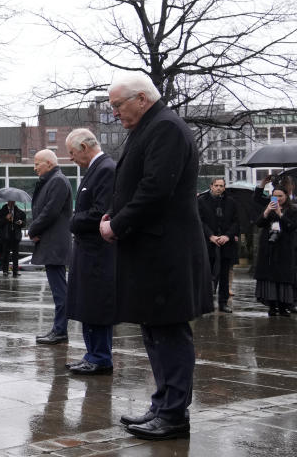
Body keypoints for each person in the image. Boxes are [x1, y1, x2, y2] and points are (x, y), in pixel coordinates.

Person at [98, 73, 212, 441]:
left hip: (166, 253)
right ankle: (163, 405)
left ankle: (174, 414)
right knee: (155, 330)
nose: (114, 113)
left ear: (142, 98)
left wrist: (117, 225)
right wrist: (115, 216)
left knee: (169, 331)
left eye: (118, 105)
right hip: (154, 250)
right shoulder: (152, 126)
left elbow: (155, 190)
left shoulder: (165, 128)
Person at [64, 128, 116, 375]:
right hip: (88, 250)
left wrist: (74, 221)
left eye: (72, 153)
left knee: (95, 305)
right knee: (88, 305)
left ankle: (100, 357)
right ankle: (92, 354)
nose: (71, 158)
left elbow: (102, 212)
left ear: (84, 147)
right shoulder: (97, 169)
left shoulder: (105, 169)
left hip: (98, 252)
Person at [28, 149, 72, 345]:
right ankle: (59, 329)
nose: (35, 167)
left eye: (37, 163)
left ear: (49, 163)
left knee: (60, 291)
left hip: (55, 245)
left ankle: (60, 330)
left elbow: (49, 212)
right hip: (51, 243)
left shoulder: (57, 181)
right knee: (58, 290)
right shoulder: (53, 181)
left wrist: (32, 229)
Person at [197, 178, 240, 313]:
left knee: (224, 275)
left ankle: (223, 303)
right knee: (206, 274)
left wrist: (227, 236)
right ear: (211, 186)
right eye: (216, 185)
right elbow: (200, 221)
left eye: (221, 186)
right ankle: (205, 302)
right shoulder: (201, 201)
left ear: (224, 187)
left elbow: (236, 222)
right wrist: (210, 236)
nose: (219, 188)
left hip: (226, 243)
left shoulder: (231, 202)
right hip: (208, 244)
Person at [253, 186, 296, 316]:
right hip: (269, 248)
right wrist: (266, 212)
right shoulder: (269, 207)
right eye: (274, 196)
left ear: (286, 196)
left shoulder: (292, 210)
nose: (277, 199)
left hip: (284, 248)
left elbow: (292, 226)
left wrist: (280, 214)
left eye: (280, 196)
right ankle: (272, 306)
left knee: (283, 277)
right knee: (269, 277)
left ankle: (284, 306)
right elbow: (259, 223)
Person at [0, 200, 25, 276]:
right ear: (8, 202)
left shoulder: (19, 212)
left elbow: (24, 222)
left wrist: (21, 223)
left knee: (15, 254)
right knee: (6, 253)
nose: (12, 203)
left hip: (15, 235)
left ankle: (15, 271)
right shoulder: (2, 211)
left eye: (14, 201)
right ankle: (5, 270)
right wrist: (6, 218)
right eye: (11, 202)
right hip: (5, 236)